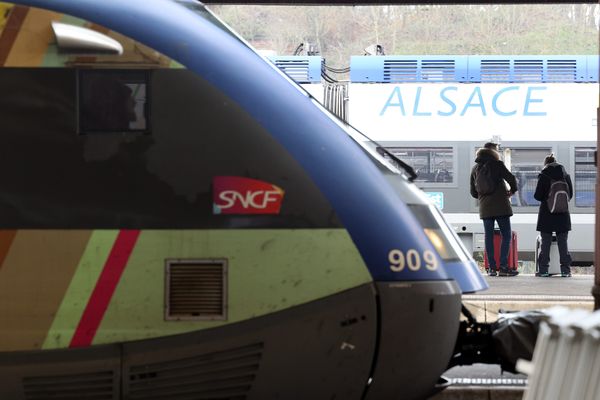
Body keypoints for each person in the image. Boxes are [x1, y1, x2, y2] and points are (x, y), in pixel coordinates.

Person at [470, 142, 519, 277]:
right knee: (506, 235)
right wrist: (512, 190)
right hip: (501, 206)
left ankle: (492, 268)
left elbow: (473, 192)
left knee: (489, 237)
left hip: (485, 208)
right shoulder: (498, 165)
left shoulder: (475, 169)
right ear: (493, 153)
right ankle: (503, 267)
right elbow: (511, 178)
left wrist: (482, 196)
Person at [533, 154, 573, 277]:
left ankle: (544, 270)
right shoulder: (565, 175)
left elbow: (537, 196)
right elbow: (569, 195)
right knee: (563, 243)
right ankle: (565, 271)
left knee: (545, 243)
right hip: (562, 213)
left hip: (547, 214)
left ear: (546, 164)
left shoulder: (544, 175)